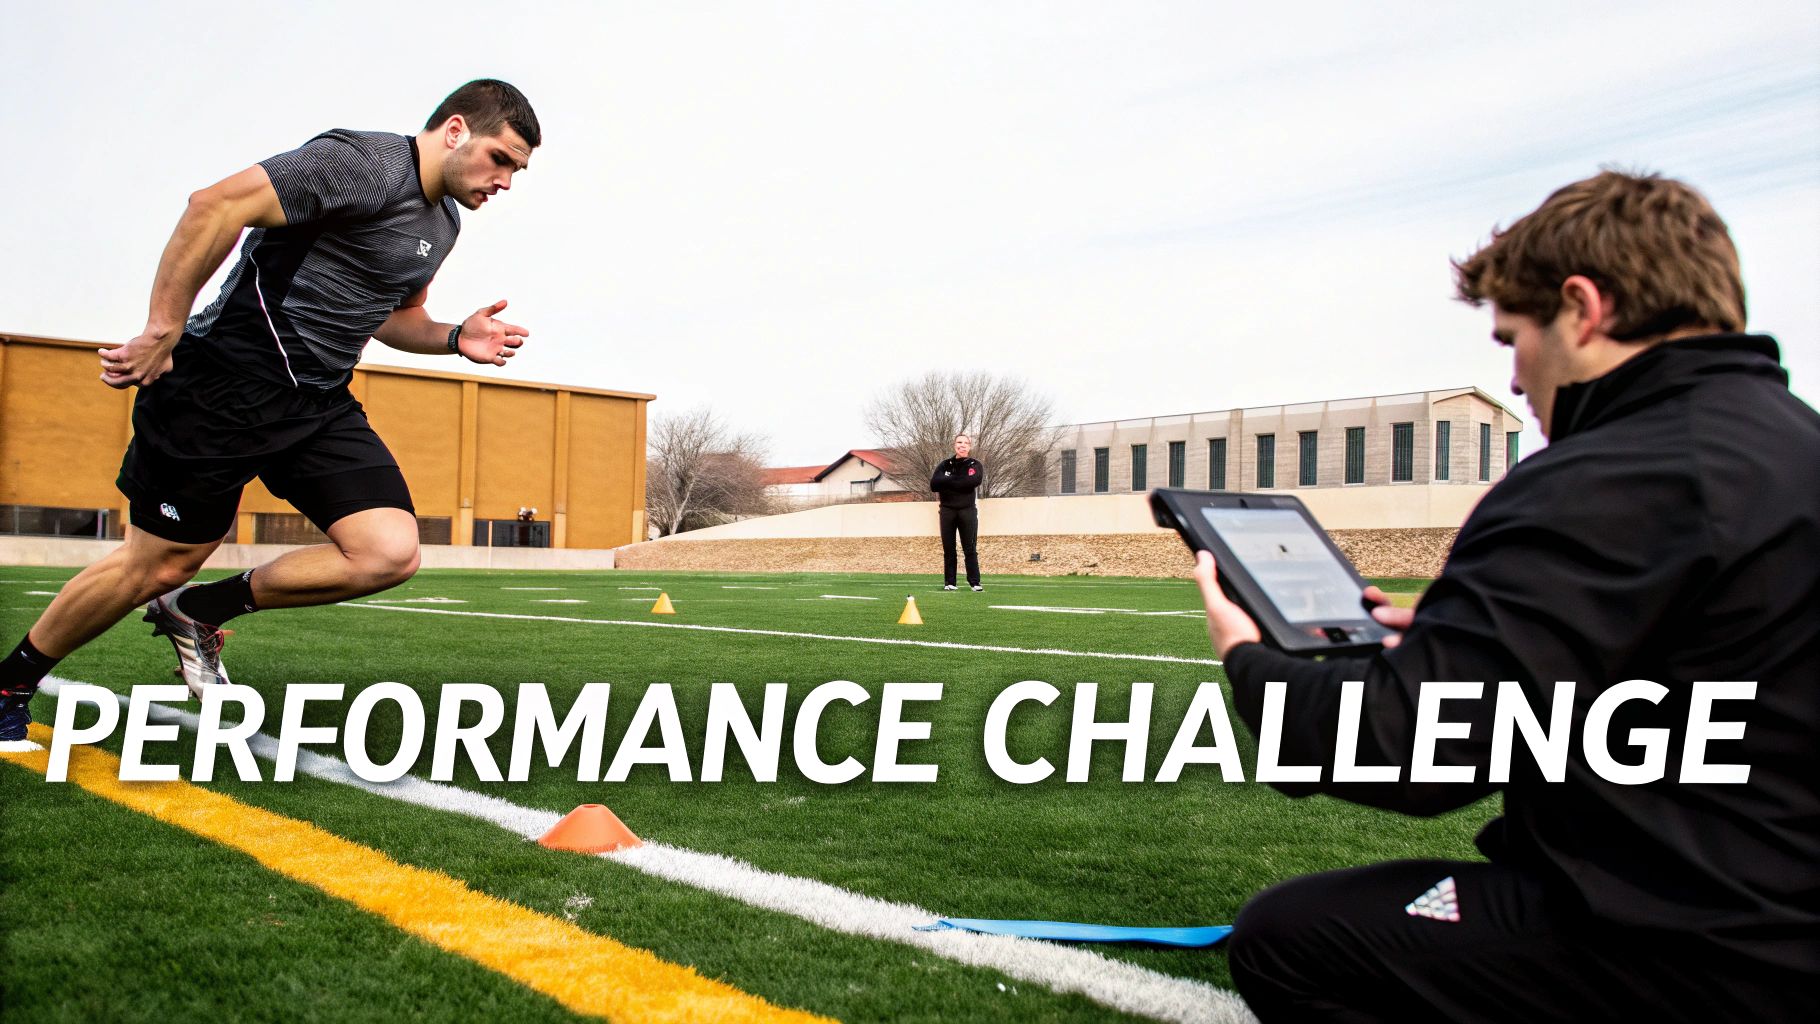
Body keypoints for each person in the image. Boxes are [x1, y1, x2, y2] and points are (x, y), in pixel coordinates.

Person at [1191, 171, 1818, 1022]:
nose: (1516, 382)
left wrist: (1249, 657)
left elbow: (1408, 750)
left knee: (1289, 940)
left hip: (1707, 948)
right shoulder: (1791, 443)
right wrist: (1475, 635)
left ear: (1583, 309)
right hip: (1777, 909)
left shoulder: (1607, 475)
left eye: (1514, 337)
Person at [0, 80, 541, 745]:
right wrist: (163, 328)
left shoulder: (444, 224)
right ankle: (11, 682)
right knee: (157, 564)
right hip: (223, 385)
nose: (505, 181)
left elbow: (394, 318)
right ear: (456, 131)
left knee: (388, 552)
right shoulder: (362, 163)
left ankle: (197, 610)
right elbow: (215, 205)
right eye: (500, 159)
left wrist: (455, 337)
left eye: (516, 170)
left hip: (317, 402)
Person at [930, 433, 985, 591]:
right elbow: (934, 484)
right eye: (959, 442)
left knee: (970, 548)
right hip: (947, 510)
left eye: (965, 443)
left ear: (969, 446)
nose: (962, 445)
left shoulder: (974, 464)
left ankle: (975, 582)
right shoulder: (944, 465)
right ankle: (950, 582)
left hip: (967, 510)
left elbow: (972, 481)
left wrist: (948, 481)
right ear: (955, 445)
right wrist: (959, 480)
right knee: (949, 548)